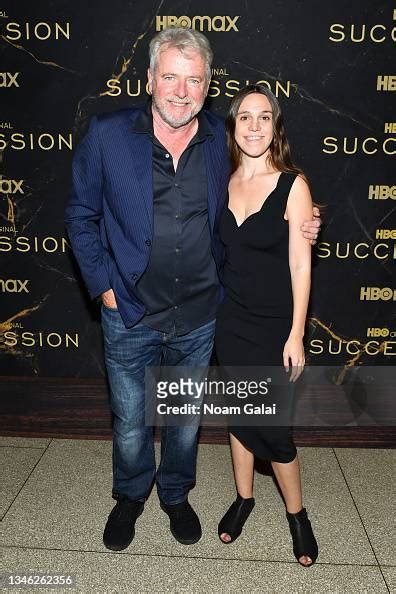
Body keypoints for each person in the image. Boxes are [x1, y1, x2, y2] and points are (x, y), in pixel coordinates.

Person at [65, 28, 321, 551]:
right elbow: (80, 214)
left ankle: (176, 495)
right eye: (171, 78)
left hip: (202, 313)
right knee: (132, 419)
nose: (182, 91)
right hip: (129, 309)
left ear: (207, 87)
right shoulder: (107, 135)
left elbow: (267, 184)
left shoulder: (219, 141)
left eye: (195, 81)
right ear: (151, 79)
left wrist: (307, 218)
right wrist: (104, 288)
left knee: (183, 421)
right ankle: (131, 496)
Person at [215, 84, 318, 566]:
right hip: (227, 322)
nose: (254, 126)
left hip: (275, 327)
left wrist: (296, 332)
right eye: (244, 118)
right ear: (233, 127)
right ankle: (244, 498)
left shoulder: (293, 185)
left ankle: (297, 515)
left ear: (275, 127)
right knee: (238, 416)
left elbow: (301, 264)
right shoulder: (223, 178)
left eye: (264, 118)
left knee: (275, 430)